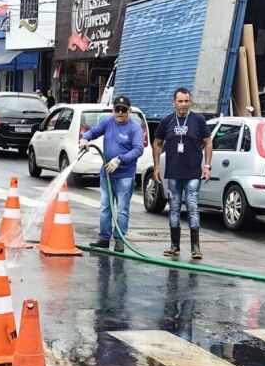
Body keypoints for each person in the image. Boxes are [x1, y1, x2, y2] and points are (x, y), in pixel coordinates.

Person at [152, 87, 212, 259]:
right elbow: (157, 143)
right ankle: (174, 246)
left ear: (190, 102)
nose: (183, 104)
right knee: (174, 209)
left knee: (193, 208)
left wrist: (207, 166)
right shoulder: (167, 121)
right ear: (174, 103)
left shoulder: (198, 120)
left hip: (193, 174)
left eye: (186, 101)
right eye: (180, 101)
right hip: (173, 174)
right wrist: (157, 167)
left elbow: (208, 142)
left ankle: (195, 247)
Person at [79, 95, 144, 252]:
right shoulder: (108, 121)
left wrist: (120, 160)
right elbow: (93, 131)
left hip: (125, 175)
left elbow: (138, 149)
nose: (120, 113)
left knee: (122, 209)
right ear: (113, 110)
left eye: (123, 110)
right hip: (107, 173)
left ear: (129, 111)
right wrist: (85, 139)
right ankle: (104, 238)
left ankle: (119, 240)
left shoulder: (134, 128)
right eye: (117, 109)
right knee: (105, 207)